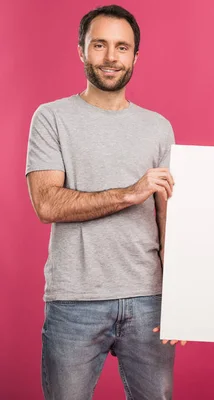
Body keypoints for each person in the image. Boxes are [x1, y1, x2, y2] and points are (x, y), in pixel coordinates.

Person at [25, 5, 183, 399]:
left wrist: (183, 301)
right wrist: (128, 194)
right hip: (73, 302)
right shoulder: (51, 118)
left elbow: (168, 219)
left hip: (149, 302)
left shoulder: (158, 127)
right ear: (81, 50)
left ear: (135, 57)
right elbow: (47, 204)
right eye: (100, 45)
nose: (111, 58)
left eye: (122, 48)